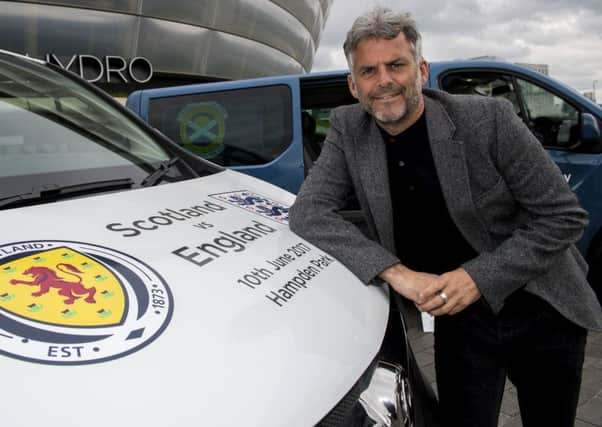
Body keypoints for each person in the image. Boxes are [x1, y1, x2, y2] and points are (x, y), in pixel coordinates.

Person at [289, 7, 602, 427]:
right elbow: (309, 212)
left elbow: (563, 216)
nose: (384, 81)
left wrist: (477, 278)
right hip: (459, 319)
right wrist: (396, 274)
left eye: (396, 65)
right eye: (368, 71)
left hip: (540, 302)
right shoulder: (349, 131)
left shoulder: (487, 119)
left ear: (420, 69)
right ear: (353, 84)